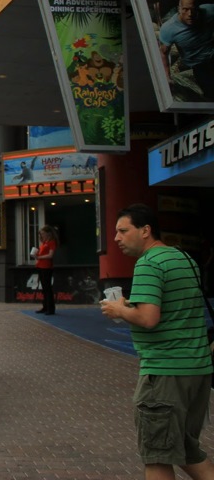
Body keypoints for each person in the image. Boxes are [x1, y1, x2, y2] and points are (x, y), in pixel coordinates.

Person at [100, 204, 214, 480]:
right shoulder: (183, 258)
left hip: (165, 371)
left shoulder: (149, 263)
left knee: (157, 456)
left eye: (123, 231)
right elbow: (175, 307)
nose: (116, 238)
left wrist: (120, 310)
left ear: (145, 230)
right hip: (197, 369)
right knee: (187, 450)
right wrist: (132, 305)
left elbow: (149, 318)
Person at [158, 0, 214, 100]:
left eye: (193, 10)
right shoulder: (169, 29)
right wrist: (167, 77)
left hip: (212, 53)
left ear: (198, 8)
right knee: (211, 93)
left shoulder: (209, 10)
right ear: (179, 9)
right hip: (199, 64)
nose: (190, 14)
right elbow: (164, 53)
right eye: (185, 9)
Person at [34, 225, 58, 315]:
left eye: (43, 233)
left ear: (48, 233)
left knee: (47, 288)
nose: (42, 235)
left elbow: (50, 255)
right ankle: (45, 306)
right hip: (40, 266)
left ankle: (51, 308)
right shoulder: (44, 243)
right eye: (41, 234)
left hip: (46, 267)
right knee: (44, 288)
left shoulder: (52, 242)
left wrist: (39, 257)